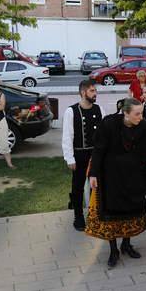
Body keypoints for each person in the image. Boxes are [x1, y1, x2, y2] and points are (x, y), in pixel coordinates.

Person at [87, 98, 146, 268]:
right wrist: (93, 173)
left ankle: (126, 244)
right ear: (125, 113)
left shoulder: (144, 126)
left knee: (130, 211)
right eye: (137, 114)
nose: (140, 117)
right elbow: (98, 150)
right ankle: (113, 250)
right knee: (111, 213)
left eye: (142, 113)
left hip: (134, 176)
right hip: (111, 176)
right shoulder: (109, 124)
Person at [62, 80, 103, 231]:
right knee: (78, 187)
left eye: (95, 91)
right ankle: (78, 216)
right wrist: (70, 158)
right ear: (83, 92)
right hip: (79, 154)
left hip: (96, 155)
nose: (95, 94)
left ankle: (95, 215)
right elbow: (67, 137)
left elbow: (104, 133)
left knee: (96, 186)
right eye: (92, 91)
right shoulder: (71, 111)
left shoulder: (99, 109)